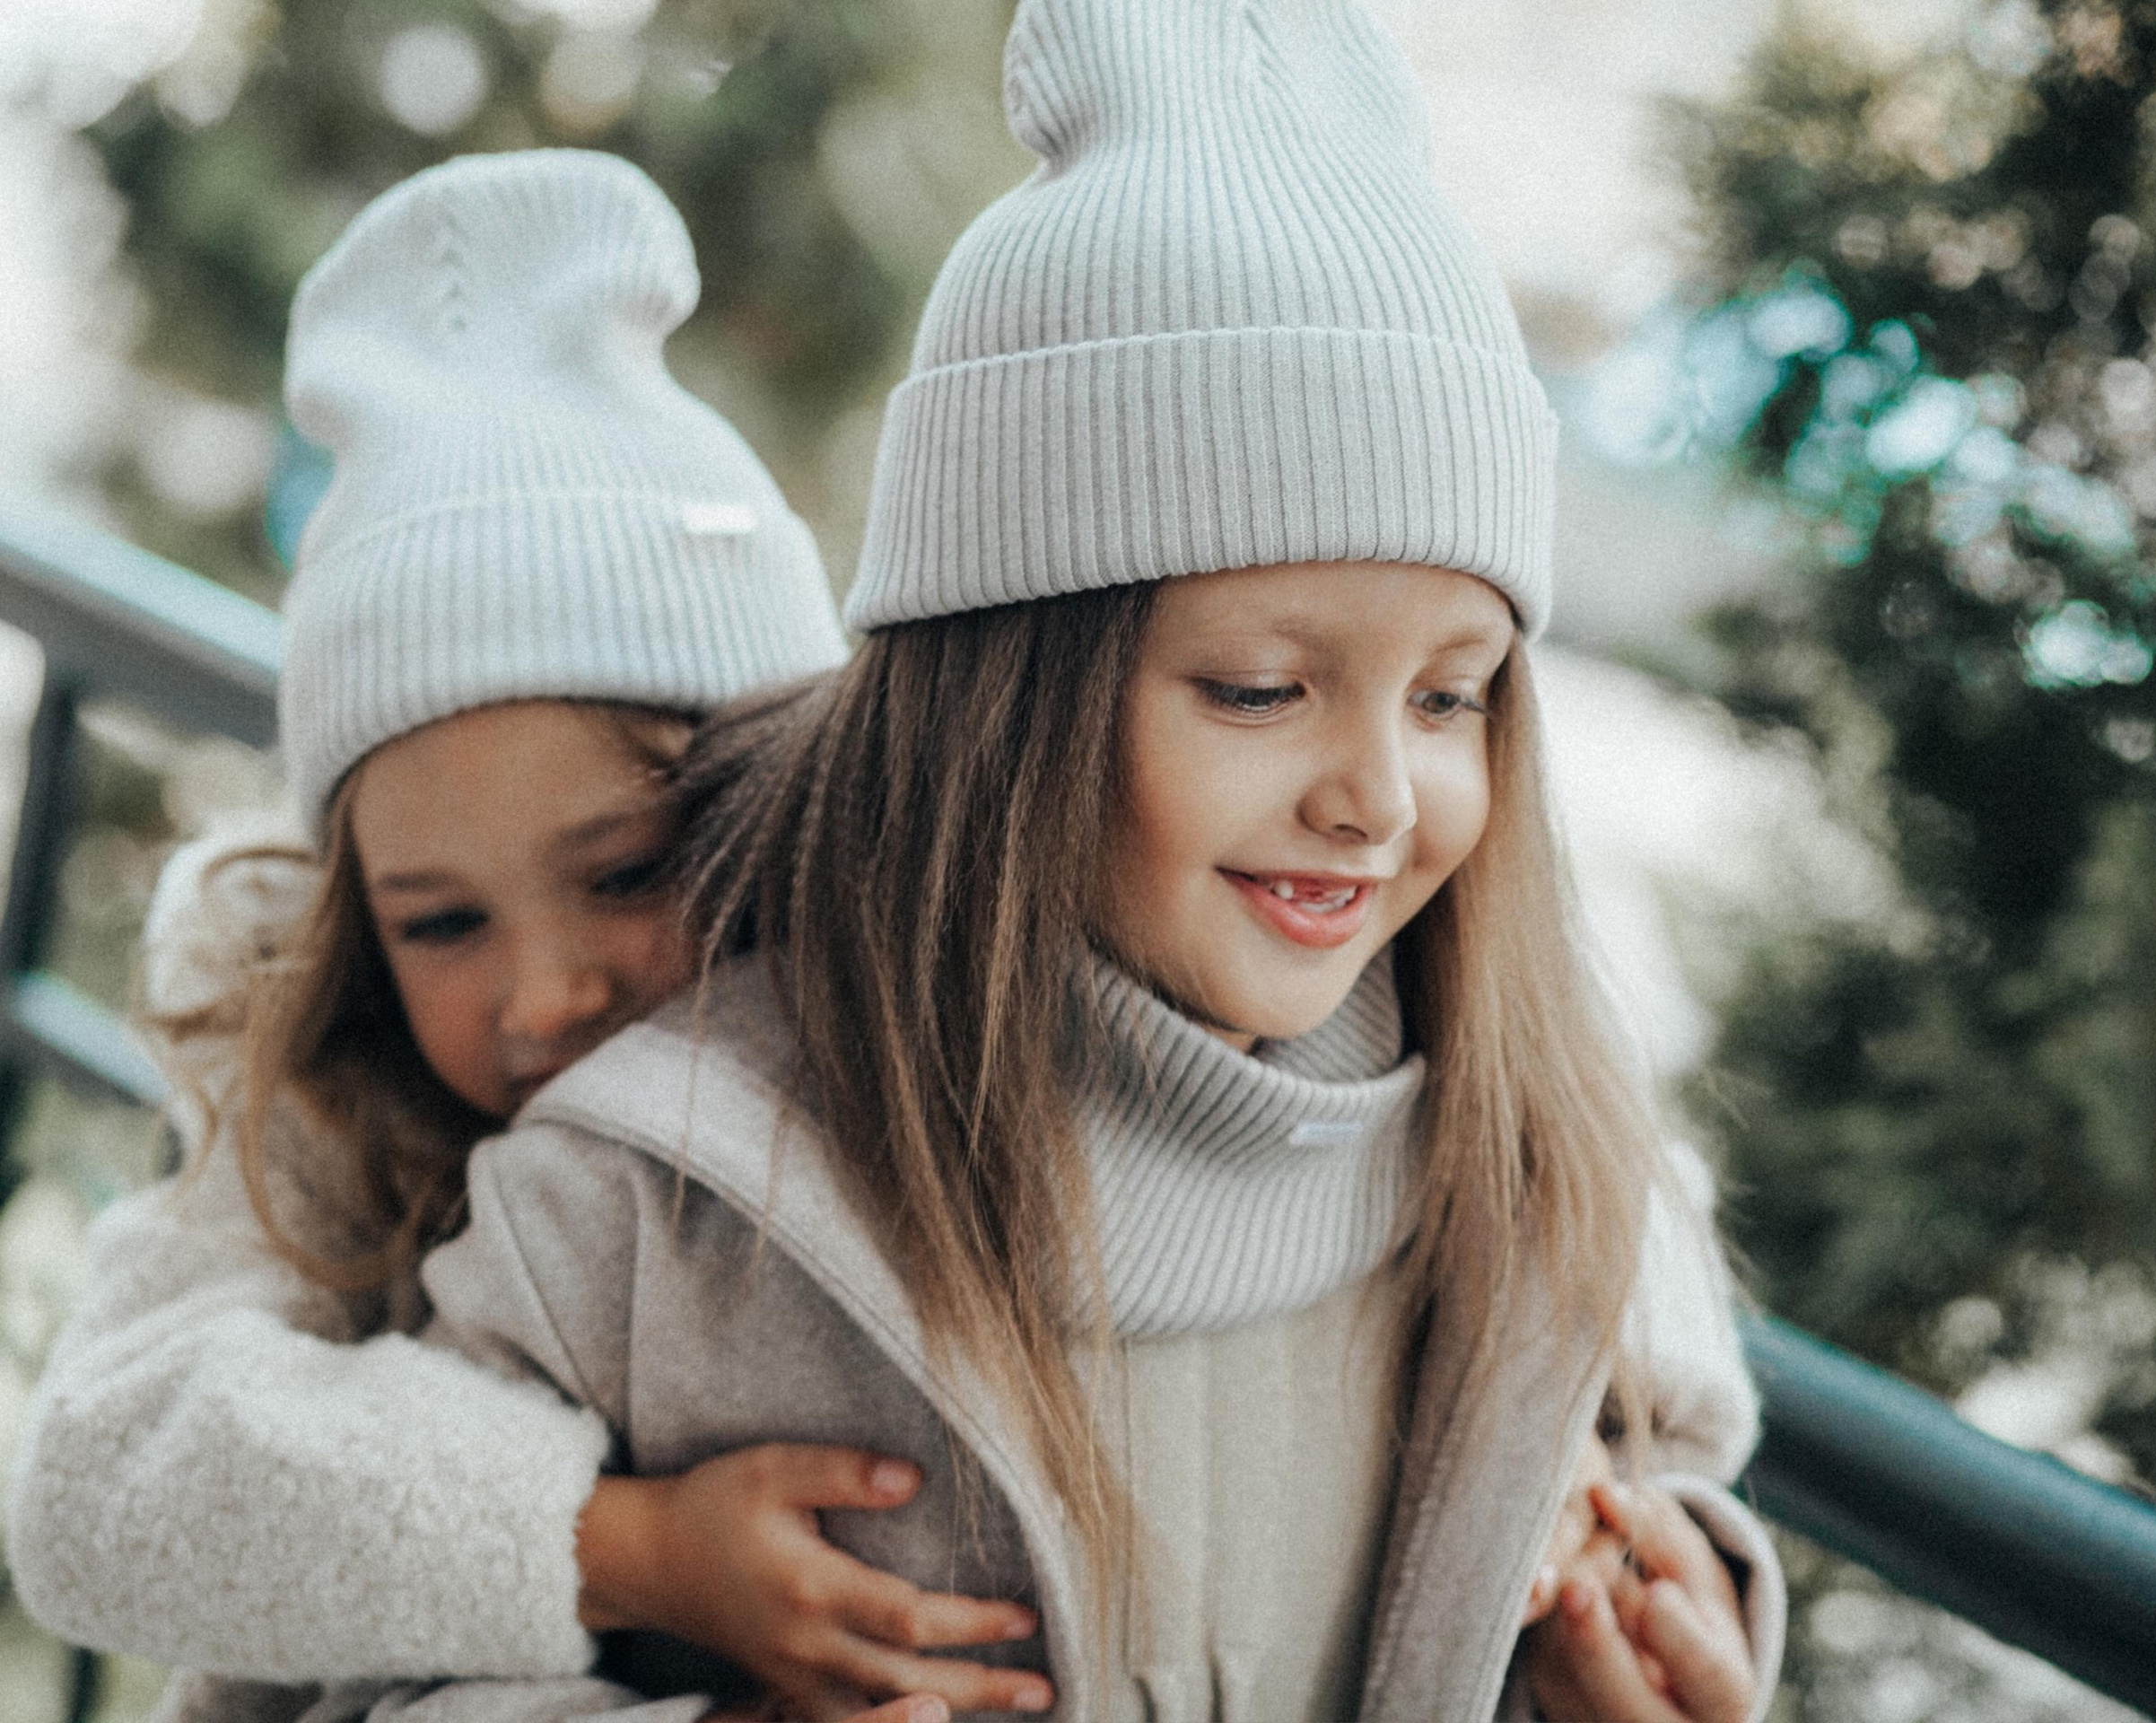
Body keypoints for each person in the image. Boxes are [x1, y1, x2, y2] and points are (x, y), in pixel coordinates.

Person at [336, 3, 1790, 1718]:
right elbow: (363, 1678)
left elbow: (1646, 1477)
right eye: (1261, 688)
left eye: (1454, 696)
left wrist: (1662, 1614)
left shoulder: (1528, 1147)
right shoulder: (648, 1199)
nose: (1380, 796)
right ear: (1004, 700)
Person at [6, 150, 1055, 1723]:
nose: (546, 992)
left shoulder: (918, 1054)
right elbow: (95, 1489)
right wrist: (621, 1545)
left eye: (628, 873)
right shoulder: (335, 1099)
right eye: (440, 922)